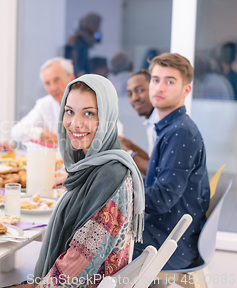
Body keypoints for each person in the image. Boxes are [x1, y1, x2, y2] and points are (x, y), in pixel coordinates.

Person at [30, 75, 145, 287]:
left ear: (108, 118)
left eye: (89, 113)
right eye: (69, 111)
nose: (75, 123)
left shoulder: (112, 176)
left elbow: (79, 262)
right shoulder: (94, 166)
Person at [133, 53, 210, 271]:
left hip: (169, 245)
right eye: (155, 80)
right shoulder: (171, 127)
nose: (159, 88)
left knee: (91, 243)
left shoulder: (181, 132)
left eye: (169, 81)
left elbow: (160, 200)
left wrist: (114, 193)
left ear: (187, 90)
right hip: (167, 234)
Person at [11, 57, 75, 145]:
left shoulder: (88, 103)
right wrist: (40, 133)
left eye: (57, 80)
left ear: (71, 78)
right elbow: (17, 131)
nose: (53, 88)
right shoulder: (45, 104)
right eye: (47, 83)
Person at [119, 69, 159, 176]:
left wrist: (127, 154)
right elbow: (155, 163)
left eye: (140, 90)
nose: (134, 98)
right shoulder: (151, 121)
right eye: (130, 94)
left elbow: (158, 173)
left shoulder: (160, 122)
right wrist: (130, 145)